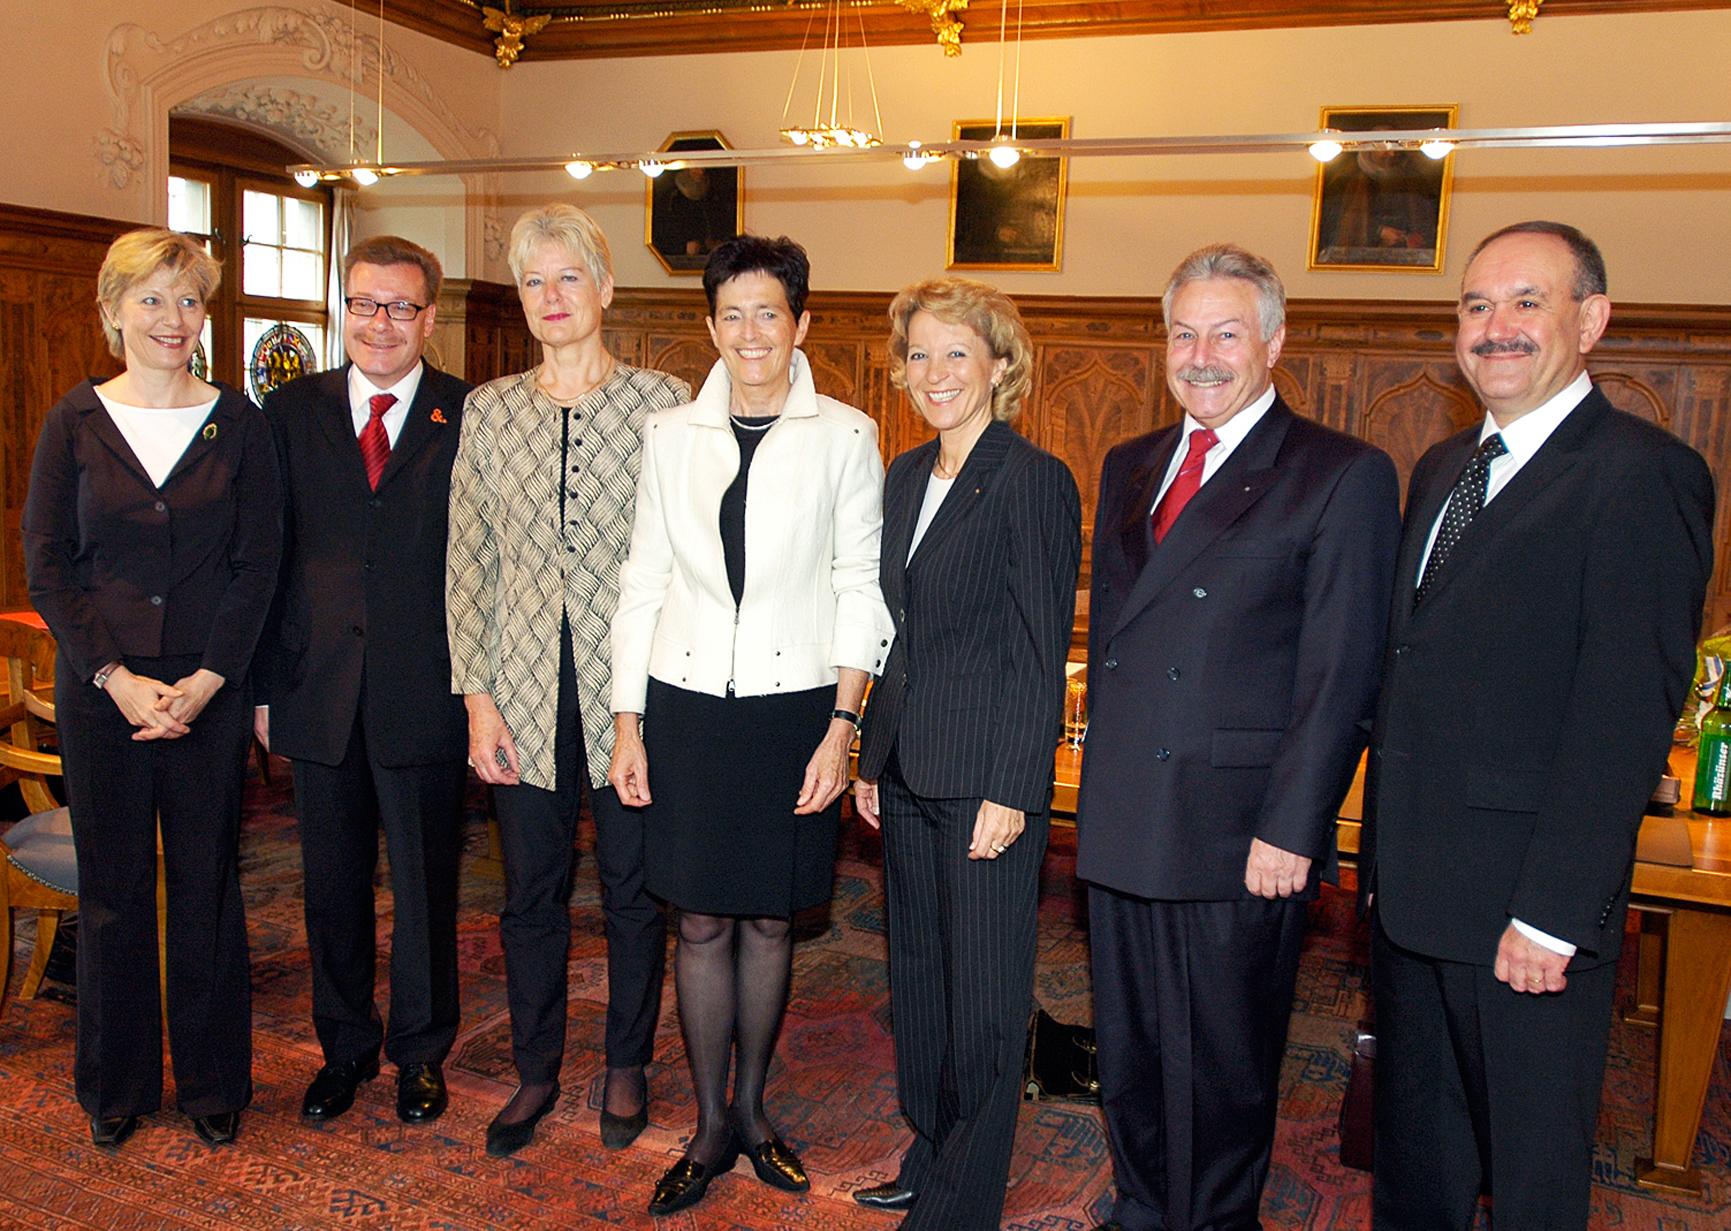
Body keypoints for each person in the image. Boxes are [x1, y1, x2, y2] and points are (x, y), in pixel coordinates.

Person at [1362, 221, 1715, 1230]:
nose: (1496, 328)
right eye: (1476, 307)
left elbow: (1623, 714)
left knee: (1529, 1180)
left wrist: (1555, 912)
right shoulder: (1440, 470)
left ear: (1592, 320)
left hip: (1527, 917)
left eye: (1527, 303)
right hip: (1414, 898)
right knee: (1417, 1168)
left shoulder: (1643, 474)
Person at [1075, 243, 1400, 1231]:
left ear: (1274, 340)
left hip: (1239, 829)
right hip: (1127, 809)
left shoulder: (1339, 474)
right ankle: (1140, 1206)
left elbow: (1340, 672)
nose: (1202, 354)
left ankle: (1214, 1222)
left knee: (1220, 1060)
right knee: (1128, 1048)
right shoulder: (1130, 463)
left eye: (1226, 332)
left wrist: (1294, 827)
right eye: (1183, 333)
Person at [608, 234, 895, 1217]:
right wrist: (626, 721)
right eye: (731, 314)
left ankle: (757, 1109)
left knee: (771, 917)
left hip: (796, 712)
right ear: (711, 326)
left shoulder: (848, 437)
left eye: (769, 312)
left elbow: (862, 589)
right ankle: (707, 1129)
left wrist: (841, 729)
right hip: (685, 706)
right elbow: (640, 580)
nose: (750, 332)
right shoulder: (667, 435)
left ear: (802, 321)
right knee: (697, 921)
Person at [22, 228, 282, 1149]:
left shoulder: (240, 423)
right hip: (104, 693)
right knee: (115, 890)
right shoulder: (74, 420)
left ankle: (215, 1083)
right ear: (112, 311)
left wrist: (210, 678)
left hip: (208, 695)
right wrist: (116, 677)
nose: (173, 319)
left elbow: (259, 564)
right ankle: (116, 1086)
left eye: (188, 300)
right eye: (153, 299)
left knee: (208, 885)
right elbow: (46, 567)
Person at [447, 204, 689, 1157]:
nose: (551, 298)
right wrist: (477, 697)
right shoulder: (488, 409)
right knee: (528, 895)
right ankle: (536, 1069)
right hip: (520, 694)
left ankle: (625, 1064)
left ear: (605, 287)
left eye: (568, 278)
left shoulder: (665, 406)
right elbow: (468, 563)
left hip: (631, 695)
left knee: (633, 891)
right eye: (533, 282)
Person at [850, 277, 1081, 1229]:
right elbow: (894, 628)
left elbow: (1039, 646)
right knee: (922, 984)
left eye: (956, 353)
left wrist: (1015, 785)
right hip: (906, 768)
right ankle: (931, 1143)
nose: (934, 373)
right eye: (918, 355)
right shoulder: (903, 475)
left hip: (987, 779)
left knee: (985, 1001)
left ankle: (962, 1199)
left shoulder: (1033, 479)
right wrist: (869, 754)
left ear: (998, 365)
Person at [254, 235, 471, 1127]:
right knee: (329, 884)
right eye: (363, 303)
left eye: (400, 307)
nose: (380, 323)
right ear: (341, 309)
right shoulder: (288, 410)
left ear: (430, 318)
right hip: (317, 690)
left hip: (426, 691)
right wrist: (264, 689)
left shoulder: (468, 413)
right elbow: (263, 558)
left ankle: (420, 1055)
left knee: (426, 890)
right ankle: (343, 1048)